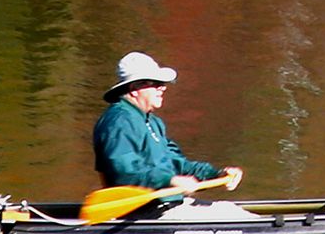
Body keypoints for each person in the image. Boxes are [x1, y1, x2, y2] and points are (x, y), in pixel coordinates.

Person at [92, 52, 245, 205]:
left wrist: (216, 174)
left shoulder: (152, 122)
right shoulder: (119, 122)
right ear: (134, 88)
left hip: (165, 206)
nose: (163, 88)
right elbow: (125, 174)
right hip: (142, 211)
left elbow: (177, 164)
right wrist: (169, 180)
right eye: (155, 83)